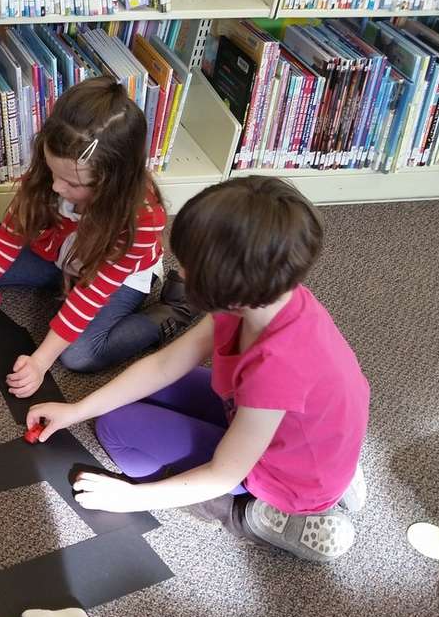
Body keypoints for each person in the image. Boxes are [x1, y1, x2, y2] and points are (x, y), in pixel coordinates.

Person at [29, 176, 369, 562]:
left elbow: (223, 473)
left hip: (284, 472)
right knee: (140, 394)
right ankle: (335, 475)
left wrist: (133, 497)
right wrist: (76, 410)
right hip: (287, 427)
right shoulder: (260, 299)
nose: (182, 274)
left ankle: (260, 514)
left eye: (191, 268)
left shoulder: (277, 367)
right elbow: (164, 364)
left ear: (230, 286)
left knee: (116, 430)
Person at [0, 76, 195, 398]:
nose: (57, 188)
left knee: (80, 355)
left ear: (113, 182)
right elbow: (1, 248)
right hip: (59, 255)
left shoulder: (142, 217)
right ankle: (58, 284)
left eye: (72, 183)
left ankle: (173, 311)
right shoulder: (52, 175)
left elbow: (90, 295)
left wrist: (40, 361)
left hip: (114, 278)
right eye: (54, 173)